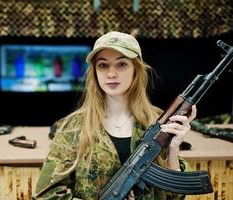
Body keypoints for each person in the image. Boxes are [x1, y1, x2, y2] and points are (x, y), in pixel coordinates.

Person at [33, 31, 197, 200]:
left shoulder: (158, 121)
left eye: (121, 64)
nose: (111, 74)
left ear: (136, 70)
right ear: (95, 72)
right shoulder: (73, 127)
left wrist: (173, 148)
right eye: (103, 65)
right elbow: (45, 195)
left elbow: (174, 196)